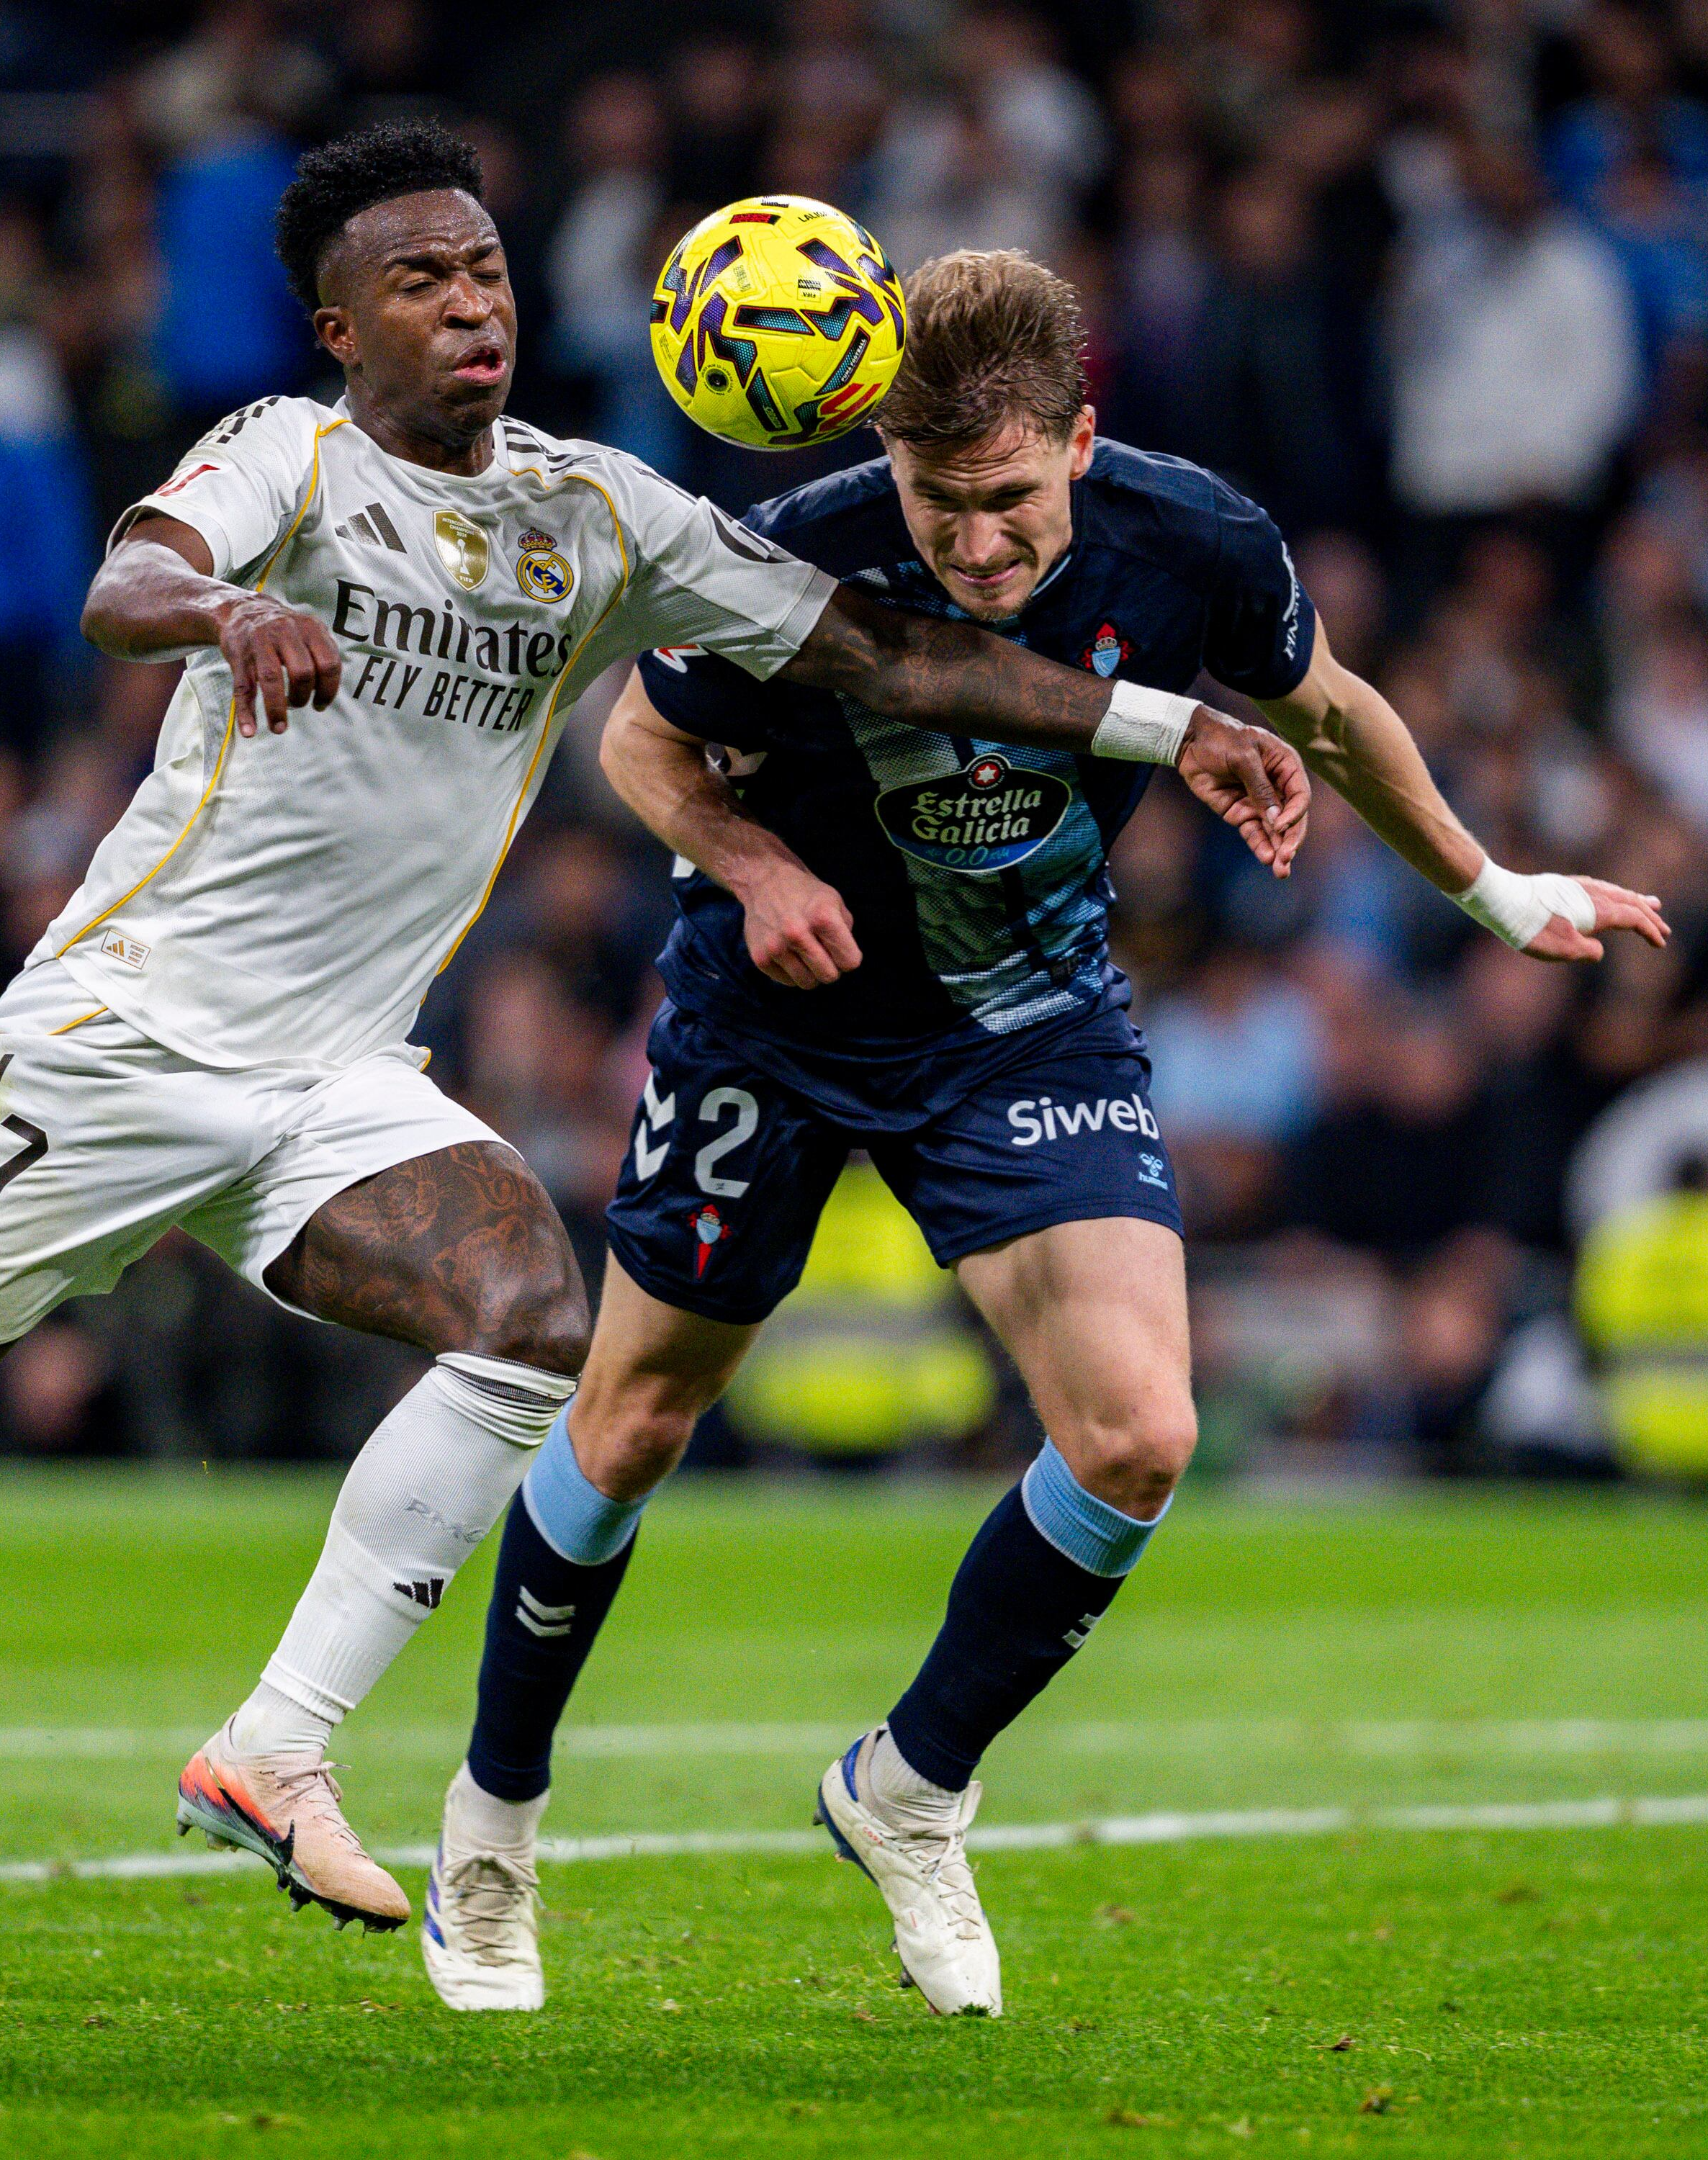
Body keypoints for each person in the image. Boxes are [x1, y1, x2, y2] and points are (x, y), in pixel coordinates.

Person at [0, 132, 1295, 1938]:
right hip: (122, 1042)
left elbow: (894, 656)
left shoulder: (599, 513)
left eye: (487, 274)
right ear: (339, 325)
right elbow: (124, 584)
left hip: (336, 1078)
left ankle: (275, 1750)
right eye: (420, 282)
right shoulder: (283, 460)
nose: (471, 306)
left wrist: (1168, 727)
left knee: (536, 1324)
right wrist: (234, 607)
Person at [422, 248, 1671, 2015]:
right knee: (629, 1422)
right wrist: (763, 868)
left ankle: (911, 1789)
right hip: (770, 1020)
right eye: (942, 503)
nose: (975, 545)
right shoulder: (801, 544)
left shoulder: (1196, 542)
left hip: (1023, 1021)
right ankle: (491, 1830)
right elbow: (639, 745)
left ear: (1081, 441)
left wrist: (1494, 891)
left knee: (1141, 1433)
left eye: (1007, 501)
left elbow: (1335, 712)